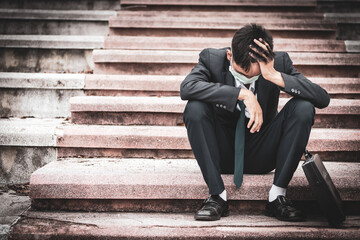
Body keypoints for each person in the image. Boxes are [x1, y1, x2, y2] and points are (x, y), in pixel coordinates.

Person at [180, 24, 330, 222]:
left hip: (263, 152)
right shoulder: (211, 59)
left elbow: (322, 98)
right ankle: (217, 196)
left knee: (303, 107)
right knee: (195, 108)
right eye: (242, 72)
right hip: (221, 153)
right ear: (229, 56)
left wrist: (273, 75)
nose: (247, 77)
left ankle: (277, 196)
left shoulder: (279, 63)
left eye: (255, 74)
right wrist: (242, 94)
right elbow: (187, 88)